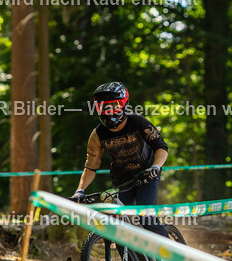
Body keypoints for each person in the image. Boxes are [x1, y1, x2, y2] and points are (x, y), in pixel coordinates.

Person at [72, 81, 170, 241]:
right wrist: (80, 190)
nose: (109, 111)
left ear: (124, 105)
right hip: (122, 179)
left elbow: (161, 147)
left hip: (147, 172)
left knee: (146, 218)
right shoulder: (97, 134)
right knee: (119, 225)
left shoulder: (138, 122)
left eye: (114, 106)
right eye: (104, 107)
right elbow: (90, 167)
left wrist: (155, 167)